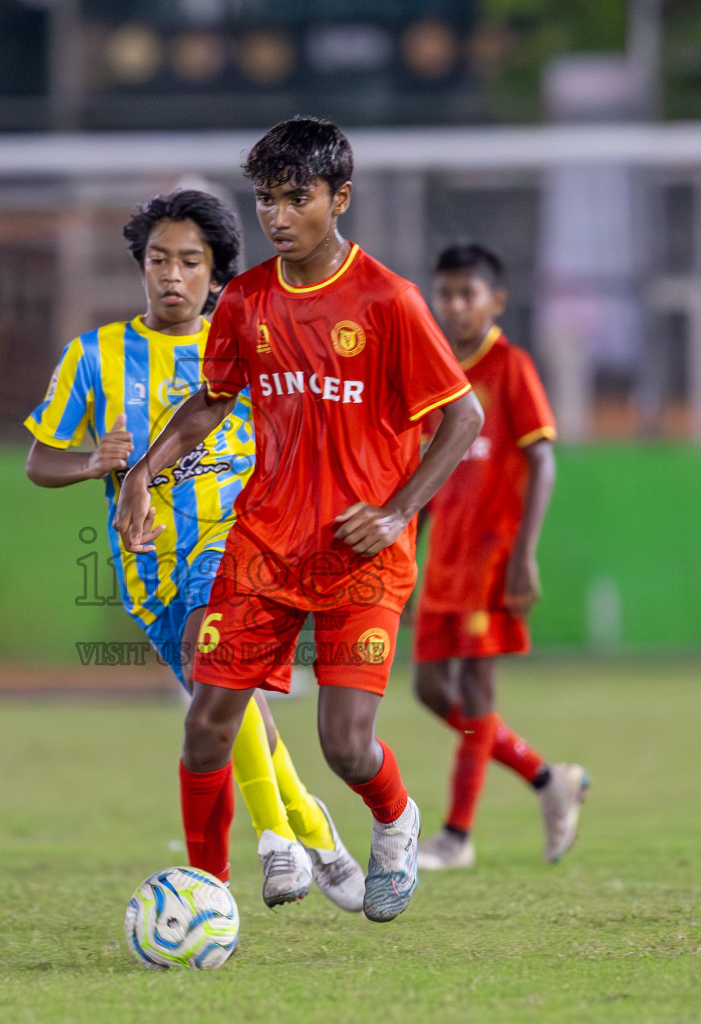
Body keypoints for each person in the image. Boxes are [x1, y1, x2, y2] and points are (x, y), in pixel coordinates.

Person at [115, 117, 485, 924]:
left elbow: (463, 416)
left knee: (345, 744)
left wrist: (395, 513)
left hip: (362, 554)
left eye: (296, 199)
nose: (277, 218)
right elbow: (210, 402)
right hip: (263, 548)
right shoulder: (245, 301)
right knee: (208, 724)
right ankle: (204, 896)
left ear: (339, 198)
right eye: (265, 201)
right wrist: (142, 473)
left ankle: (396, 820)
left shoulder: (389, 301)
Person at [24, 188, 364, 913]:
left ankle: (276, 842)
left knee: (222, 665)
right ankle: (314, 828)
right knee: (229, 706)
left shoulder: (244, 341)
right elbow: (38, 461)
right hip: (149, 571)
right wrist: (94, 463)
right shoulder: (93, 356)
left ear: (216, 273)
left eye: (189, 261)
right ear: (140, 268)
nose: (172, 276)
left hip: (239, 546)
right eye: (158, 260)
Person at [411, 243, 588, 870]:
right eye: (446, 293)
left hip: (490, 559)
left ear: (496, 301)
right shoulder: (434, 371)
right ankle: (545, 778)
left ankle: (456, 837)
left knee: (477, 691)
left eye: (468, 294)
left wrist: (523, 555)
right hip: (442, 565)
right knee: (430, 690)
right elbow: (427, 476)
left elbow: (542, 458)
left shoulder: (510, 366)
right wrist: (409, 554)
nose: (455, 306)